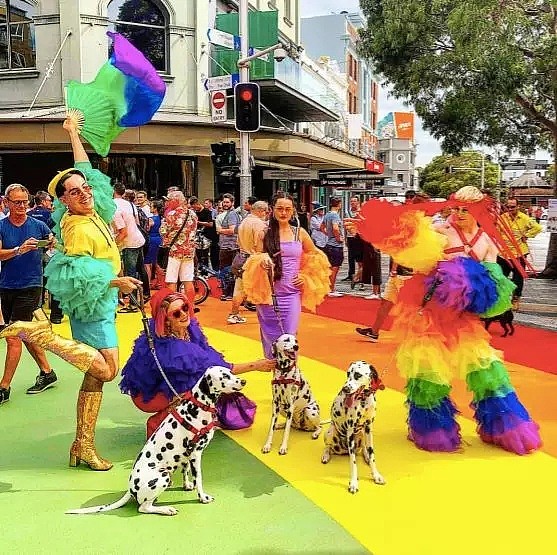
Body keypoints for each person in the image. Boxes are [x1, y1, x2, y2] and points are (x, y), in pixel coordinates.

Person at [354, 185, 541, 455]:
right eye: (456, 209)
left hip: (463, 318)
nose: (459, 214)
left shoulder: (486, 241)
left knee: (487, 371)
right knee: (428, 372)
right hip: (429, 315)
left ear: (478, 210)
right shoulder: (440, 231)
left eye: (466, 210)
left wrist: (473, 288)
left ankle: (502, 428)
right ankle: (432, 431)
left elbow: (494, 287)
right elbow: (417, 258)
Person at [0, 117, 142, 469]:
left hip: (103, 301)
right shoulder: (76, 226)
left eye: (86, 189)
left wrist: (74, 134)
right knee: (107, 371)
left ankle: (83, 446)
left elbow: (87, 171)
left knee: (95, 376)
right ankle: (41, 336)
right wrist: (116, 283)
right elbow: (76, 276)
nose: (85, 193)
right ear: (63, 200)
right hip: (92, 304)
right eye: (75, 192)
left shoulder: (91, 209)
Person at [119, 288, 275, 437]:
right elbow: (218, 370)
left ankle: (182, 419)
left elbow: (213, 361)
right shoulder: (172, 348)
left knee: (200, 383)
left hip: (166, 388)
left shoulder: (188, 330)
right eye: (176, 313)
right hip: (149, 397)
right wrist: (256, 365)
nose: (184, 314)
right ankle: (158, 423)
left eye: (185, 307)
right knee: (200, 385)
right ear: (165, 321)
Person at [242, 192, 330, 359]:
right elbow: (254, 258)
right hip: (268, 296)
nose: (283, 213)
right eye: (280, 209)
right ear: (272, 210)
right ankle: (275, 373)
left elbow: (317, 256)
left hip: (291, 295)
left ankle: (290, 376)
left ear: (293, 211)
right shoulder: (264, 233)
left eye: (287, 209)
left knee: (290, 337)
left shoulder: (300, 233)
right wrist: (262, 260)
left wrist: (305, 275)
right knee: (270, 338)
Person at [0, 184, 57, 403]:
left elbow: (54, 244)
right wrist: (18, 250)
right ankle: (47, 371)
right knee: (24, 334)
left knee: (14, 335)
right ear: (7, 202)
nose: (22, 206)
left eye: (25, 201)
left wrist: (51, 243)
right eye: (17, 202)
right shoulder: (2, 226)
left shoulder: (39, 225)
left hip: (31, 285)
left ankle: (4, 387)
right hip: (7, 285)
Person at [227, 200, 268, 324]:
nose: (266, 214)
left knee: (239, 288)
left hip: (241, 256)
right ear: (261, 211)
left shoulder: (244, 221)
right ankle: (267, 315)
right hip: (254, 258)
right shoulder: (259, 224)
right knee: (263, 287)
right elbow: (260, 244)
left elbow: (238, 241)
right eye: (265, 211)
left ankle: (234, 313)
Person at [497, 198, 542, 308]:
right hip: (503, 253)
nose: (510, 209)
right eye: (508, 207)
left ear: (518, 206)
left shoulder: (524, 218)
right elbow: (497, 231)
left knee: (518, 278)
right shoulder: (502, 218)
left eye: (513, 206)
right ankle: (502, 299)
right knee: (501, 277)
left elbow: (538, 227)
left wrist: (526, 235)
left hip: (519, 253)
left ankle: (515, 299)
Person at [159, 191, 198, 302]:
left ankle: (174, 305)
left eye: (169, 200)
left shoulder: (171, 215)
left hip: (174, 251)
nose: (168, 202)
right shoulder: (192, 214)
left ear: (175, 201)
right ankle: (190, 307)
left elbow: (163, 232)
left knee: (171, 280)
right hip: (189, 251)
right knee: (188, 280)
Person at [215, 193, 241, 301]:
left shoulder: (231, 214)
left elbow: (232, 230)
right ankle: (228, 292)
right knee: (228, 270)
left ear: (232, 203)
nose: (225, 204)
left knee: (227, 271)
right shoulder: (230, 214)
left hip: (229, 247)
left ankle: (228, 293)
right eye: (224, 202)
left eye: (227, 202)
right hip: (229, 246)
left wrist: (220, 230)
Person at [322, 197, 345, 297]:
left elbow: (321, 227)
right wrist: (338, 237)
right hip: (336, 245)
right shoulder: (335, 216)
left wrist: (328, 234)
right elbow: (335, 228)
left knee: (330, 268)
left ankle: (328, 288)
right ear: (339, 204)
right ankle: (331, 289)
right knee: (335, 268)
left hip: (329, 244)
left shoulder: (327, 215)